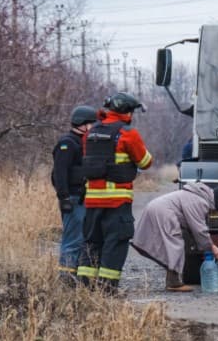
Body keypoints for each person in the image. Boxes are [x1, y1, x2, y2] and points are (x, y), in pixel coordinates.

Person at [76, 92, 154, 294]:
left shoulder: (90, 134)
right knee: (115, 244)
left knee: (91, 243)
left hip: (92, 202)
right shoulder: (128, 134)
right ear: (126, 112)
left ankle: (84, 290)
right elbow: (145, 162)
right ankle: (107, 290)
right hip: (117, 203)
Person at [130, 182, 218, 292]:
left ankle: (172, 281)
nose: (213, 213)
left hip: (156, 208)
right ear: (216, 204)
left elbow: (192, 227)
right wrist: (212, 247)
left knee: (170, 246)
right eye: (215, 211)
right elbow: (199, 230)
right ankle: (173, 283)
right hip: (162, 212)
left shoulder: (199, 196)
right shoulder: (200, 202)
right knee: (176, 246)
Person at [50, 105, 97, 286]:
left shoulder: (81, 142)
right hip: (73, 199)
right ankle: (66, 280)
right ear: (83, 124)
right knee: (73, 240)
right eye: (91, 123)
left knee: (82, 239)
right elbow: (60, 173)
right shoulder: (67, 143)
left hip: (82, 198)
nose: (93, 127)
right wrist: (64, 197)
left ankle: (76, 277)